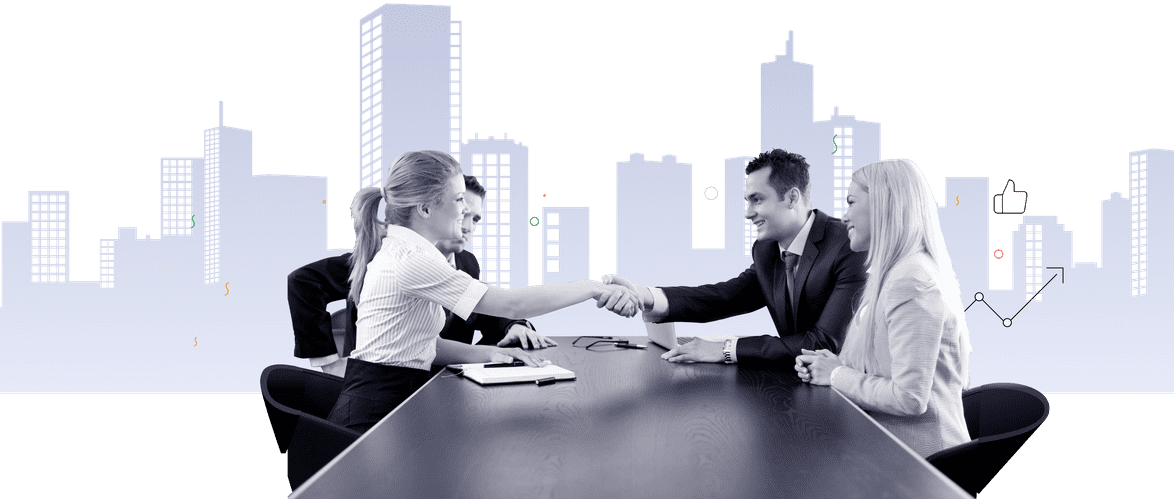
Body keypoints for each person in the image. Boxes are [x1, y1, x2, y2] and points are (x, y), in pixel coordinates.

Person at [326, 150, 638, 432]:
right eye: (459, 200)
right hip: (374, 415)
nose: (464, 212)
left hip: (393, 396)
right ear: (424, 209)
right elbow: (512, 305)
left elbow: (419, 344)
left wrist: (491, 353)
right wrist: (593, 287)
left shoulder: (413, 252)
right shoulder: (411, 259)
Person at [603, 149, 867, 366]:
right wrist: (644, 295)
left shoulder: (848, 245)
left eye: (757, 200)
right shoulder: (767, 250)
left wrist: (727, 349)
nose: (748, 213)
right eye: (746, 201)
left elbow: (823, 343)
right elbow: (725, 297)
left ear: (792, 198)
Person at [287, 176, 554, 377]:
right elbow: (304, 281)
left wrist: (514, 325)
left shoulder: (466, 262)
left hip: (447, 381)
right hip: (391, 387)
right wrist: (330, 362)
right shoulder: (386, 258)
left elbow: (479, 306)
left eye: (475, 219)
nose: (468, 227)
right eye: (462, 214)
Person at [795, 158, 972, 458]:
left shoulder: (912, 281)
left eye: (851, 202)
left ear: (883, 205)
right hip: (891, 450)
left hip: (923, 464)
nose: (844, 215)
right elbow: (887, 362)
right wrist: (832, 364)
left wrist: (837, 375)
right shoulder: (894, 272)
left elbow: (909, 398)